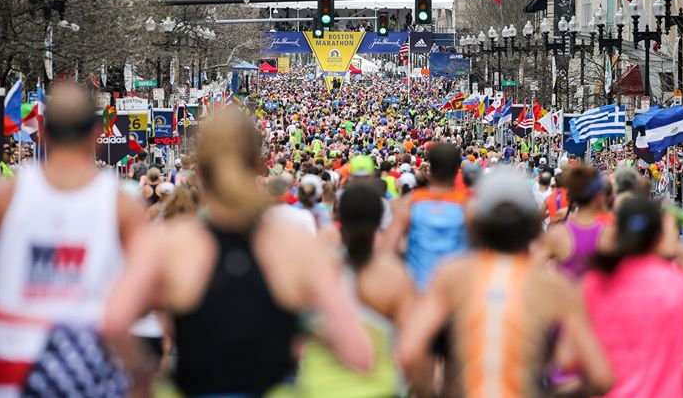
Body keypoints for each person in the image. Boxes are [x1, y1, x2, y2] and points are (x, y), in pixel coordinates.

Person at [103, 109, 374, 397]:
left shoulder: (171, 243)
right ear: (260, 167)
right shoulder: (295, 244)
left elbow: (114, 322)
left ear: (201, 171)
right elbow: (359, 354)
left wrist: (145, 376)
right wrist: (302, 328)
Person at [0, 83, 146, 396]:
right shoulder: (122, 205)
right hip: (88, 363)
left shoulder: (3, 194)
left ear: (43, 133)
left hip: (13, 361)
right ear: (97, 136)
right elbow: (148, 282)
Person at [397, 168, 613, 397]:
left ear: (478, 222)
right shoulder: (554, 287)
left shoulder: (452, 276)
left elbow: (410, 351)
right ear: (529, 224)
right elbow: (601, 376)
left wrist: (429, 392)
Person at [299, 184, 415, 397]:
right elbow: (409, 349)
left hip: (318, 388)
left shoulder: (316, 269)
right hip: (380, 387)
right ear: (380, 218)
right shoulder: (394, 277)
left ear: (337, 215)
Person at [585, 197, 683, 397]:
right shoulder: (676, 284)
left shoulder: (594, 282)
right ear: (658, 237)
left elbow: (569, 357)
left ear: (617, 233)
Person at [384, 143, 468, 291]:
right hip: (456, 291)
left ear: (430, 168)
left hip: (418, 287)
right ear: (457, 169)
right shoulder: (467, 206)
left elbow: (388, 249)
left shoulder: (410, 202)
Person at [543, 166, 609, 280]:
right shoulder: (609, 232)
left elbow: (535, 270)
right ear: (598, 195)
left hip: (565, 294)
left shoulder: (557, 235)